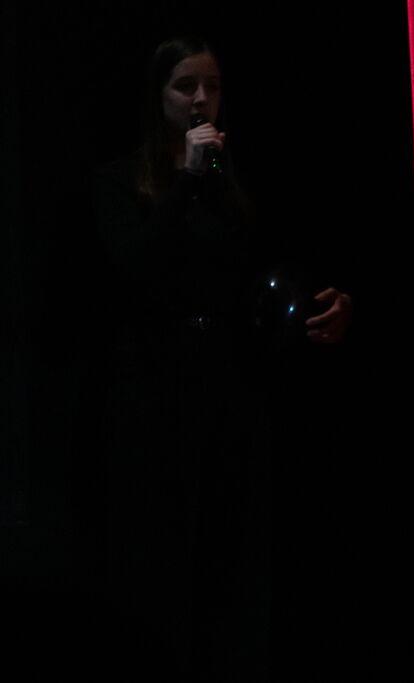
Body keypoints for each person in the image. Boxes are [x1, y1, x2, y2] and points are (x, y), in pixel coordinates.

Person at [92, 37, 351, 680]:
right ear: (158, 96)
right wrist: (185, 179)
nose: (202, 99)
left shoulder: (232, 181)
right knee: (163, 564)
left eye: (211, 85)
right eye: (185, 86)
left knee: (234, 562)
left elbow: (265, 271)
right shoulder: (122, 180)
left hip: (232, 389)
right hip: (155, 393)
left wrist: (330, 303)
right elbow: (133, 270)